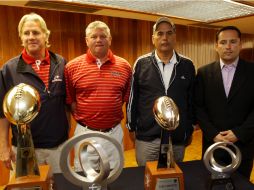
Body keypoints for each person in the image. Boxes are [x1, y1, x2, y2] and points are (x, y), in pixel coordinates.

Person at [0, 13, 69, 176]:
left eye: (36, 32)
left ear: (46, 35)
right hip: (24, 149)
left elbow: (67, 104)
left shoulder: (61, 63)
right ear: (21, 37)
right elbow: (2, 114)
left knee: (60, 186)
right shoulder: (9, 69)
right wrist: (3, 147)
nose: (31, 37)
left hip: (58, 148)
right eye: (26, 33)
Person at [127, 17, 196, 166]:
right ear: (153, 38)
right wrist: (131, 127)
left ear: (175, 37)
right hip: (148, 137)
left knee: (174, 179)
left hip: (177, 138)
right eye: (160, 33)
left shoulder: (187, 65)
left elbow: (192, 100)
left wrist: (190, 128)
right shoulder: (141, 63)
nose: (165, 37)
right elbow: (133, 99)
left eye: (169, 33)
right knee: (147, 179)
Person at [65, 20, 132, 170]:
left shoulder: (124, 66)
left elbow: (124, 98)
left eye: (103, 36)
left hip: (114, 132)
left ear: (110, 39)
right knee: (85, 177)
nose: (98, 39)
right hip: (85, 133)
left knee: (114, 176)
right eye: (93, 36)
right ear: (86, 40)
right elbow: (71, 100)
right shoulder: (72, 67)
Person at [194, 26, 254, 179]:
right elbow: (198, 107)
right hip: (213, 145)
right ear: (216, 46)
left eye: (233, 42)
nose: (228, 47)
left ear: (240, 44)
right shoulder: (203, 73)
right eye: (223, 42)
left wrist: (239, 133)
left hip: (243, 145)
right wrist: (213, 134)